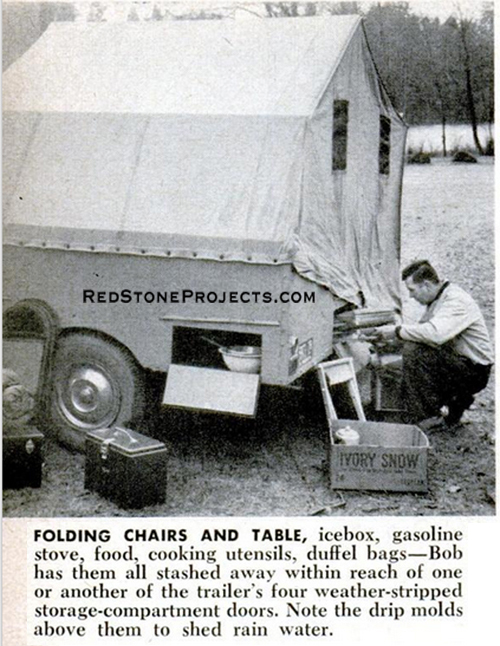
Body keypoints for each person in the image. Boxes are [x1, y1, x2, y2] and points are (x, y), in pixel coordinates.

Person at [375, 260, 493, 429]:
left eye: (412, 290)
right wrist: (391, 341)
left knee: (414, 353)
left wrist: (396, 331)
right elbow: (422, 332)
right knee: (411, 353)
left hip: (474, 370)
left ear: (426, 285)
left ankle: (429, 417)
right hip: (460, 363)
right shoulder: (439, 298)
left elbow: (435, 334)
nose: (411, 296)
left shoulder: (456, 300)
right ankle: (456, 402)